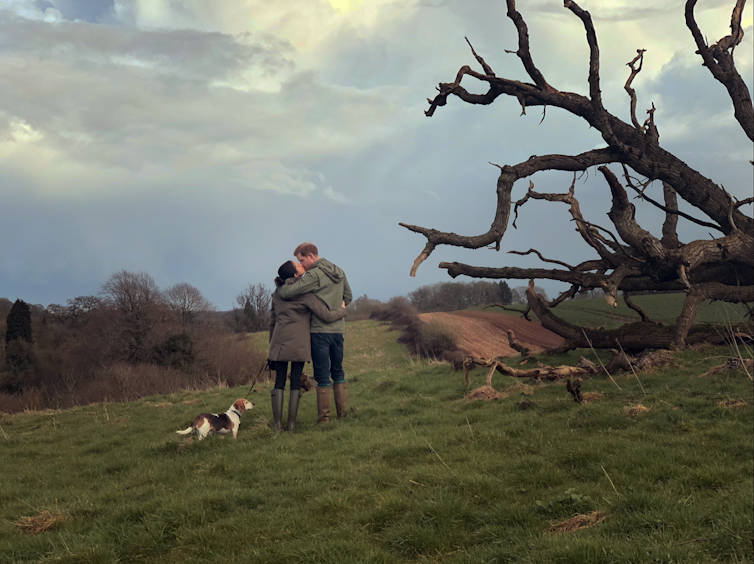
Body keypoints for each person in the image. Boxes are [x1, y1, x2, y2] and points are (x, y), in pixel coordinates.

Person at [268, 260, 347, 433]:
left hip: (279, 343)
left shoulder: (277, 293)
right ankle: (291, 426)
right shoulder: (307, 295)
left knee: (279, 380)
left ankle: (277, 426)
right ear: (296, 274)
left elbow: (272, 322)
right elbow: (326, 315)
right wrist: (342, 309)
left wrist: (271, 347)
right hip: (299, 344)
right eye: (299, 266)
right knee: (295, 380)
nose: (303, 267)